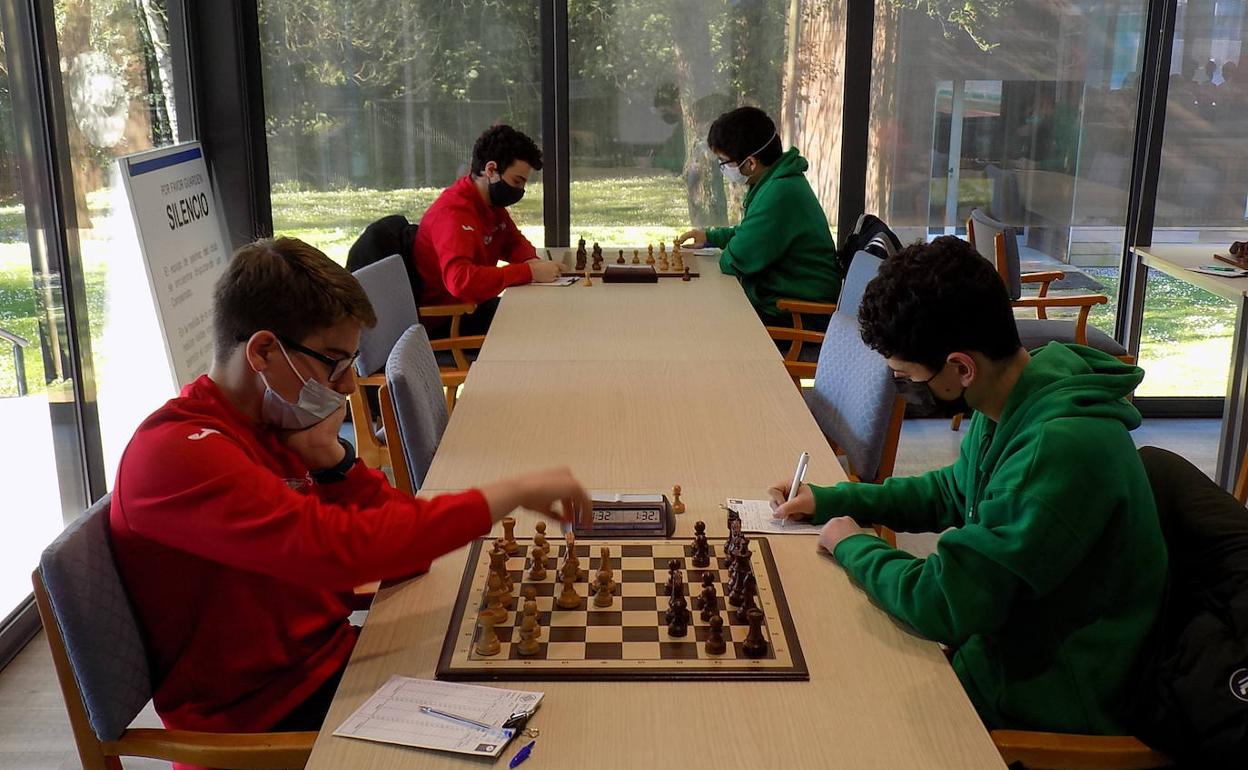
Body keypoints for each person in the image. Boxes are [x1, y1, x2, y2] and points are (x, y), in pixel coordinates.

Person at [110, 237, 589, 759]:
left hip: (338, 670)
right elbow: (342, 551)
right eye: (334, 364)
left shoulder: (277, 427)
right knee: (548, 742)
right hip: (263, 727)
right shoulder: (179, 454)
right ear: (264, 351)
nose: (345, 387)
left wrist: (334, 463)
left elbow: (408, 557)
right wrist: (507, 493)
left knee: (554, 692)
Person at [768, 236, 1166, 735]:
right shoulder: (1013, 394)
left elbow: (942, 602)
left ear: (960, 368)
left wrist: (852, 544)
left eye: (905, 377)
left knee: (829, 715)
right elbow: (952, 492)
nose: (905, 390)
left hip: (1051, 692)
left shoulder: (1058, 452)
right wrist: (834, 500)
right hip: (1003, 645)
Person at [676, 106, 841, 328]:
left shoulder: (779, 193)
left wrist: (727, 249)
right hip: (784, 301)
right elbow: (752, 233)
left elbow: (734, 261)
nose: (723, 170)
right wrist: (710, 237)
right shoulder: (778, 182)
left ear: (751, 163)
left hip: (797, 314)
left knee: (704, 320)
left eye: (724, 163)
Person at [411, 124, 561, 336]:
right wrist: (529, 272)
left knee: (546, 315)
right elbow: (460, 281)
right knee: (541, 328)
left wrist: (532, 261)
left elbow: (512, 242)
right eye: (517, 181)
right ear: (491, 170)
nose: (520, 191)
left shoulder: (489, 203)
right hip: (450, 320)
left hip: (474, 306)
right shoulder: (452, 213)